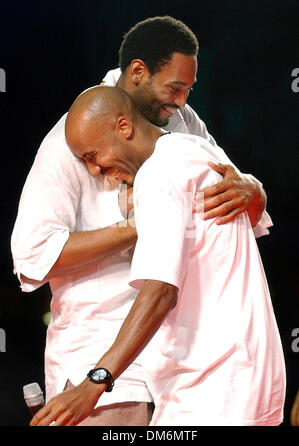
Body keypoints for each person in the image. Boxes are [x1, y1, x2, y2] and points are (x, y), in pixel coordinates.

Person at [12, 16, 271, 426]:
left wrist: (255, 190)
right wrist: (141, 226)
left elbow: (240, 194)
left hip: (182, 366)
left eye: (187, 90)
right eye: (174, 88)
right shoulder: (71, 139)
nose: (181, 101)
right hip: (103, 363)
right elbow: (30, 257)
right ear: (137, 72)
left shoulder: (182, 127)